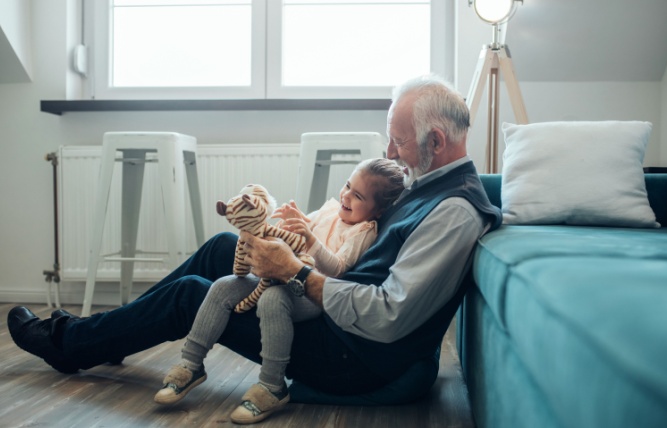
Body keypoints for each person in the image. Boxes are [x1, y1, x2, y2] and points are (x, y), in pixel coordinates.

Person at [7, 74, 503, 425]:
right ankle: (107, 338)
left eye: (397, 142)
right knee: (224, 245)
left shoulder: (453, 212)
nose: (390, 153)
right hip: (334, 314)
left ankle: (67, 345)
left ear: (435, 141)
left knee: (193, 294)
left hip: (354, 355)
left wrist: (296, 273)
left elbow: (389, 316)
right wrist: (296, 239)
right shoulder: (428, 183)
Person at [154, 158, 405, 424]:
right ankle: (190, 365)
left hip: (311, 292)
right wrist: (293, 222)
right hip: (280, 275)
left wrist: (309, 237)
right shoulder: (332, 208)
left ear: (377, 211)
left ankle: (272, 385)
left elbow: (337, 270)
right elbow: (299, 233)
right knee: (222, 287)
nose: (346, 196)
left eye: (358, 196)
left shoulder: (363, 231)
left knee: (273, 300)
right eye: (347, 186)